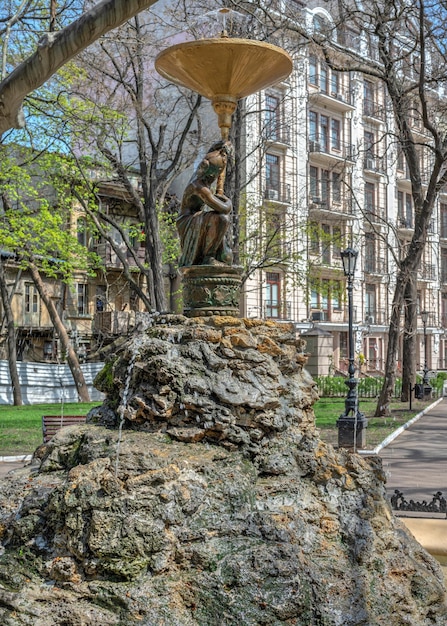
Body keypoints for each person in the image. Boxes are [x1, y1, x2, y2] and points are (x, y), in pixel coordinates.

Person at [177, 140, 233, 267]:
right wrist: (226, 200)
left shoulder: (201, 173)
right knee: (222, 219)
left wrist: (221, 145)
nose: (214, 179)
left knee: (227, 257)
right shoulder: (198, 187)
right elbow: (224, 209)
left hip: (199, 217)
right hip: (187, 221)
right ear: (211, 174)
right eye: (215, 175)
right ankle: (209, 256)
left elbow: (210, 153)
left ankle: (214, 254)